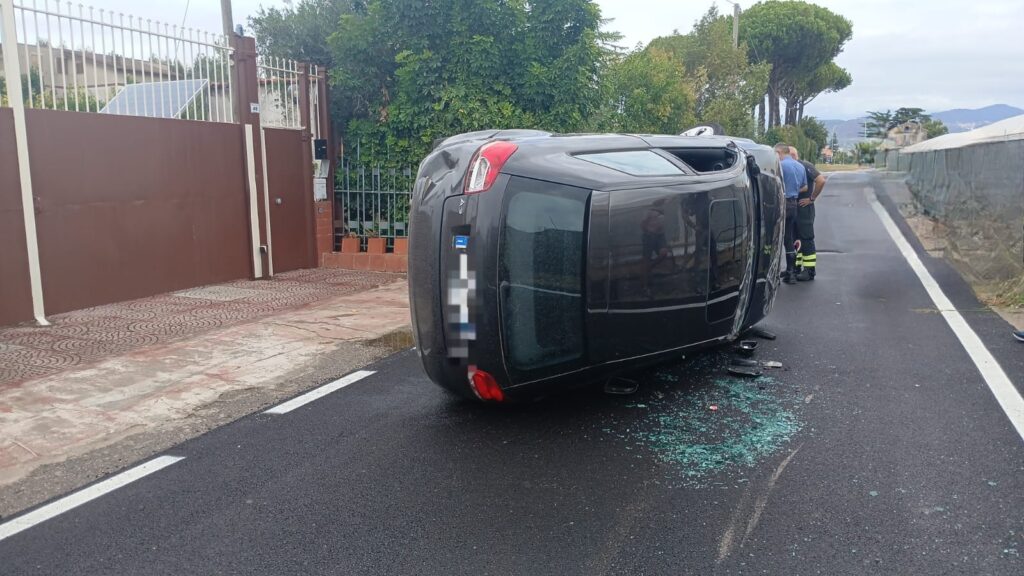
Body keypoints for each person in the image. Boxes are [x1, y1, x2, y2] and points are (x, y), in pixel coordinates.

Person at [789, 147, 827, 281]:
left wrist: (811, 198)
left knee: (806, 238)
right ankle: (796, 267)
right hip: (794, 207)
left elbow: (821, 180)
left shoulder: (805, 166)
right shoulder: (791, 167)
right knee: (795, 238)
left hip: (804, 208)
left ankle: (810, 270)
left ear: (793, 155)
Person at [774, 143, 807, 284]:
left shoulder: (780, 166)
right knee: (788, 238)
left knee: (775, 237)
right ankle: (791, 273)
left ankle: (774, 273)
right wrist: (792, 191)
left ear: (779, 152)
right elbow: (804, 186)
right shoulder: (800, 166)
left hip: (781, 203)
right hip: (793, 204)